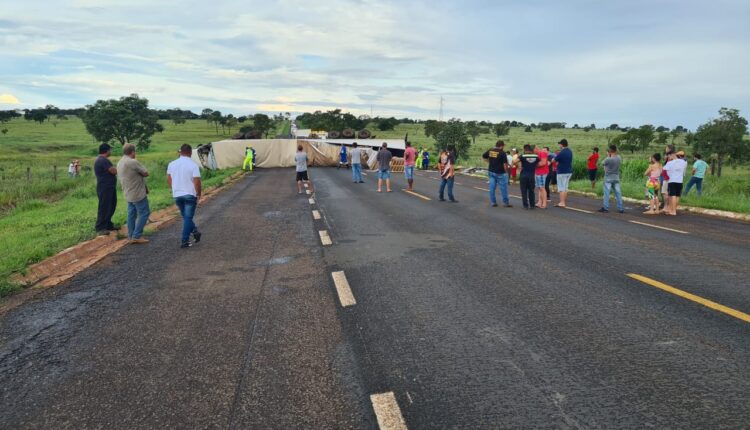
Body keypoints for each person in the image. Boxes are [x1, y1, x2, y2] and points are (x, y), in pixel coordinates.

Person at [167, 144, 202, 248]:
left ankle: (195, 231)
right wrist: (198, 194)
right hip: (190, 195)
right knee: (188, 217)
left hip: (177, 194)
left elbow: (169, 179)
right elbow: (197, 182)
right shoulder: (193, 165)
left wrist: (174, 189)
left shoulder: (171, 164)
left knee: (186, 217)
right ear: (190, 152)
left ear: (180, 152)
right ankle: (185, 240)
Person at [117, 143, 151, 244]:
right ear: (133, 152)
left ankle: (131, 236)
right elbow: (146, 173)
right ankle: (137, 236)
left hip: (128, 192)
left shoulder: (120, 162)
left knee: (131, 214)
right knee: (144, 213)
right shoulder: (132, 162)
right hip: (137, 193)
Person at [94, 143, 118, 235]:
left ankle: (108, 224)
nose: (110, 151)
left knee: (111, 206)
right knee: (104, 207)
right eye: (110, 150)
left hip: (108, 187)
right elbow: (113, 171)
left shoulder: (102, 160)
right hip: (105, 188)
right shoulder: (103, 160)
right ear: (106, 150)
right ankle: (100, 227)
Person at [482, 140, 512, 207]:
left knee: (492, 188)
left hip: (491, 172)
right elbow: (505, 165)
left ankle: (493, 202)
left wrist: (489, 162)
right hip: (500, 173)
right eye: (503, 145)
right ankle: (506, 203)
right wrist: (507, 173)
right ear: (501, 146)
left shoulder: (491, 150)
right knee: (503, 188)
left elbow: (484, 156)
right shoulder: (502, 153)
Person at [598, 144, 624, 213]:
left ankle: (605, 208)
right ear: (616, 150)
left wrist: (608, 155)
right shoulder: (619, 157)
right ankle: (621, 208)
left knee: (606, 193)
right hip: (616, 177)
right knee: (618, 193)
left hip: (608, 178)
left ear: (609, 151)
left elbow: (602, 164)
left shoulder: (608, 159)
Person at [662, 150, 688, 215]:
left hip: (672, 181)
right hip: (680, 181)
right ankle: (673, 209)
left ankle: (673, 211)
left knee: (672, 195)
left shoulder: (670, 163)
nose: (668, 157)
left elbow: (664, 170)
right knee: (677, 195)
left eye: (669, 155)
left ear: (672, 155)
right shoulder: (684, 162)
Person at [554, 139, 574, 208]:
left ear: (562, 145)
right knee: (565, 188)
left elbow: (554, 160)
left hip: (562, 172)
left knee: (561, 188)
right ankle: (563, 202)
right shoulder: (570, 151)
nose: (559, 145)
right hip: (569, 171)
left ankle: (562, 202)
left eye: (560, 144)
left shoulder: (561, 152)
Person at [519, 145, 540, 209]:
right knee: (531, 191)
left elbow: (514, 161)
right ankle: (532, 205)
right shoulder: (536, 156)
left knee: (524, 190)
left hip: (523, 175)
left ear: (525, 149)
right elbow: (539, 163)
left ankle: (525, 205)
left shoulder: (522, 156)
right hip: (531, 175)